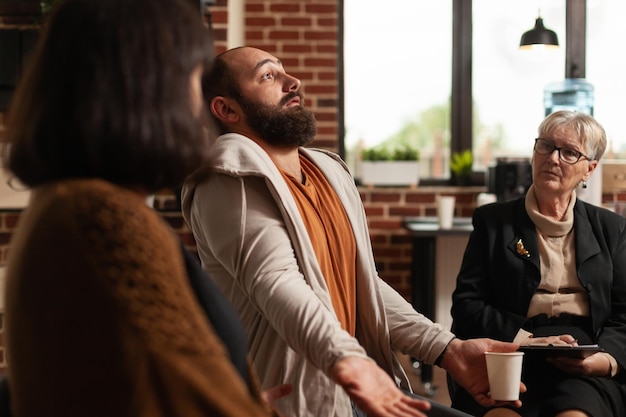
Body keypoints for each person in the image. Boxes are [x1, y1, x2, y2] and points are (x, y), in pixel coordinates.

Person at [181, 46, 525, 417]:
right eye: (268, 76)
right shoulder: (229, 176)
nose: (292, 81)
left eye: (284, 70)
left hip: (358, 389)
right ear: (227, 109)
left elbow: (365, 285)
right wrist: (351, 362)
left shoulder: (326, 172)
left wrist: (448, 349)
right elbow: (278, 283)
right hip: (295, 402)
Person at [1, 1, 287, 416]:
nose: (199, 104)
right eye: (193, 77)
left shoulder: (69, 204)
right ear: (149, 88)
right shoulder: (101, 218)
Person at [449, 110, 626, 417]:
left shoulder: (611, 229)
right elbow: (467, 306)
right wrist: (526, 340)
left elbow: (624, 315)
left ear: (589, 169)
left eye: (569, 152)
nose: (553, 158)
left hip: (581, 362)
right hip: (508, 353)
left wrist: (605, 360)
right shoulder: (493, 222)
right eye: (546, 146)